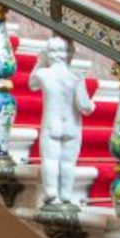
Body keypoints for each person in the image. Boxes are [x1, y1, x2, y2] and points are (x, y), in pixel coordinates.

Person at [29, 35, 94, 203]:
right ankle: (65, 194)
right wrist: (92, 105)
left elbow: (32, 84)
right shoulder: (76, 77)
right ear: (69, 53)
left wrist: (41, 61)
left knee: (50, 159)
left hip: (52, 123)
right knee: (67, 163)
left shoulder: (44, 74)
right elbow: (85, 107)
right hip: (72, 125)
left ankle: (51, 192)